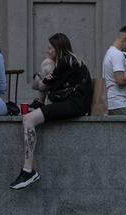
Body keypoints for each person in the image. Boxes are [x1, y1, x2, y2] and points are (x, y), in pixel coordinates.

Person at [11, 33, 92, 190]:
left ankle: (28, 171)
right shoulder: (70, 60)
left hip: (74, 105)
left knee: (28, 119)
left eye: (50, 48)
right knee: (30, 117)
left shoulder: (64, 62)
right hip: (75, 103)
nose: (47, 50)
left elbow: (40, 86)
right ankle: (27, 171)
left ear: (58, 48)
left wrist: (38, 77)